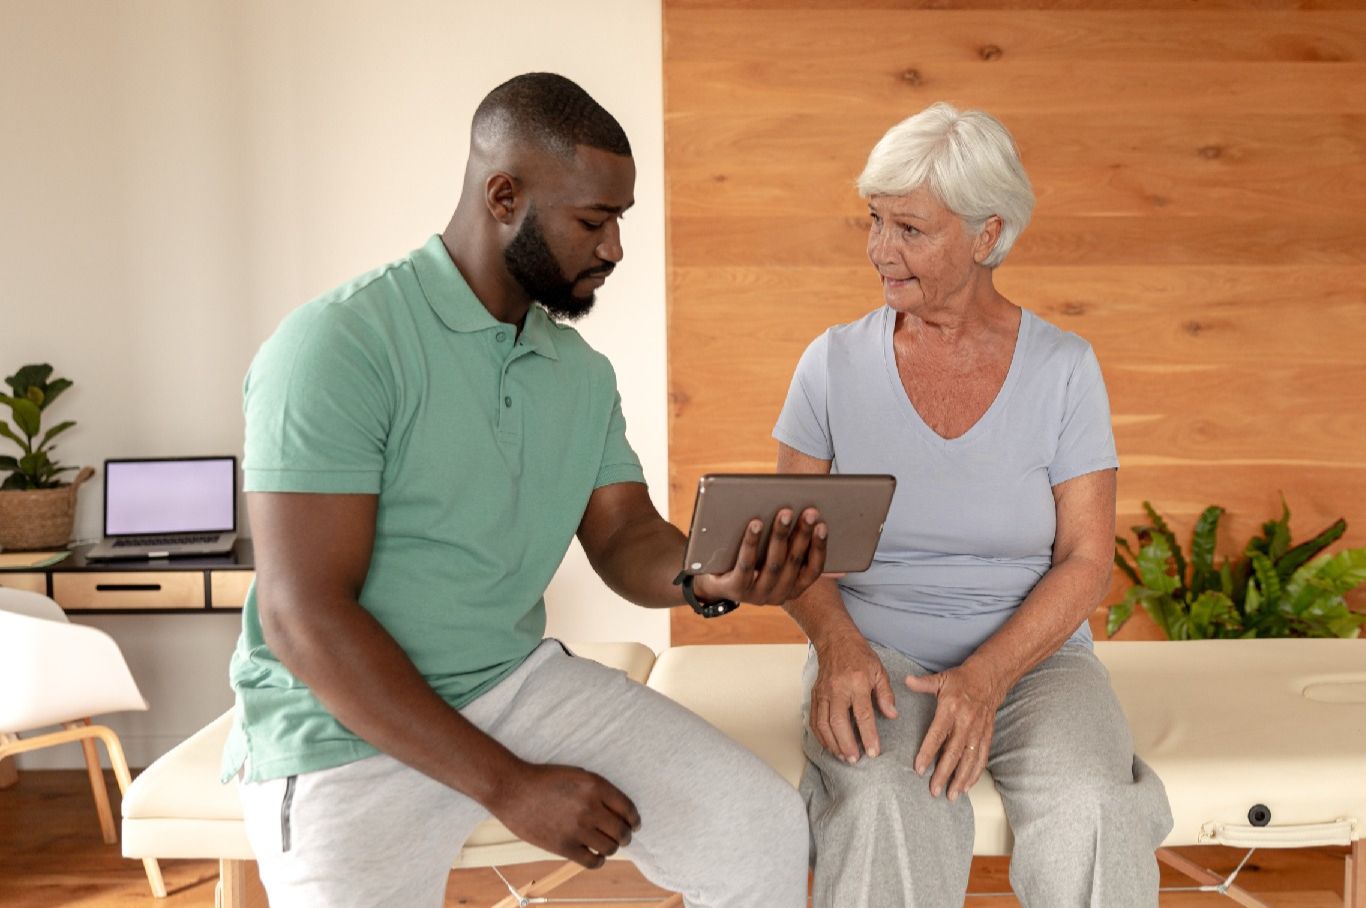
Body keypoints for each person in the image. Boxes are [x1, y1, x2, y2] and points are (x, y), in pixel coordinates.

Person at [222, 72, 824, 908]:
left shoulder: (577, 373)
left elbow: (623, 537)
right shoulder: (338, 344)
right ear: (503, 194)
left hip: (509, 682)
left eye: (619, 221)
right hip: (342, 723)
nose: (613, 248)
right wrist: (509, 785)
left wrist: (709, 575)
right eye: (592, 220)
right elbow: (303, 616)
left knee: (758, 828)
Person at [773, 102, 1173, 907]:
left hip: (1036, 660)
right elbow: (793, 552)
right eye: (874, 222)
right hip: (876, 649)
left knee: (1094, 809)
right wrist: (838, 646)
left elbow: (1087, 559)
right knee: (884, 798)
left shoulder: (1064, 368)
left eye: (910, 230)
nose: (880, 251)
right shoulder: (832, 364)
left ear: (988, 236)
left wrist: (985, 678)